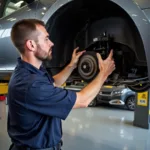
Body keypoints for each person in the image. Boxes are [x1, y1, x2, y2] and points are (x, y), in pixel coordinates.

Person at [7, 19, 115, 150]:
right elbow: (83, 100)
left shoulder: (29, 70)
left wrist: (71, 65)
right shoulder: (31, 84)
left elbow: (52, 83)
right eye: (46, 39)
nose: (51, 43)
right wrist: (104, 73)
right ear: (31, 45)